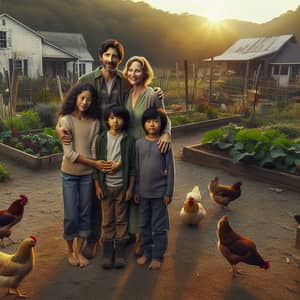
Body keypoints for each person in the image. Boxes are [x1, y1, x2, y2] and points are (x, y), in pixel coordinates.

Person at [57, 40, 165, 259]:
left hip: (120, 140)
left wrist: (158, 94)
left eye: (115, 56)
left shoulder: (125, 82)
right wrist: (59, 127)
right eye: (107, 55)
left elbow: (143, 92)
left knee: (122, 186)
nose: (111, 60)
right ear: (101, 57)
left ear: (119, 60)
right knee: (99, 192)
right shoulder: (85, 80)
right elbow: (68, 106)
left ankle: (124, 235)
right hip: (95, 142)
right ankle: (95, 239)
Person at [123, 56, 172, 254]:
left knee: (147, 190)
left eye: (138, 70)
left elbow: (164, 119)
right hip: (130, 146)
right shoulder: (129, 94)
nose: (134, 74)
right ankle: (134, 232)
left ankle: (145, 239)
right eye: (131, 70)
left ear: (145, 73)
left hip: (148, 145)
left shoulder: (152, 94)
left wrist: (167, 133)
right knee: (133, 189)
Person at [59, 83, 101, 268]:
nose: (85, 102)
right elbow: (70, 154)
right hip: (69, 174)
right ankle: (69, 251)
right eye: (82, 98)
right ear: (75, 98)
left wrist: (94, 169)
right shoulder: (66, 120)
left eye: (89, 100)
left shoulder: (95, 123)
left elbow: (93, 149)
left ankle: (79, 251)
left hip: (87, 176)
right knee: (71, 215)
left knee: (85, 213)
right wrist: (95, 164)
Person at [94, 104, 136, 269]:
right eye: (112, 117)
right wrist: (97, 186)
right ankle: (107, 251)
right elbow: (96, 167)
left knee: (121, 219)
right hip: (105, 188)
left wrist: (130, 189)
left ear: (124, 121)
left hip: (122, 187)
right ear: (107, 120)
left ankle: (119, 252)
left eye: (119, 118)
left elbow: (132, 167)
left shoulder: (128, 139)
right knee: (107, 221)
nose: (115, 121)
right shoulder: (101, 139)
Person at [135, 107, 174, 270]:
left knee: (159, 226)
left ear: (161, 123)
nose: (152, 125)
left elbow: (170, 170)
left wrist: (168, 192)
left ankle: (158, 256)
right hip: (143, 194)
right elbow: (137, 169)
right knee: (144, 225)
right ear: (144, 124)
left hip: (159, 194)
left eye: (156, 121)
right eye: (149, 121)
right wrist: (136, 189)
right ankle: (147, 253)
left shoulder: (164, 144)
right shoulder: (139, 144)